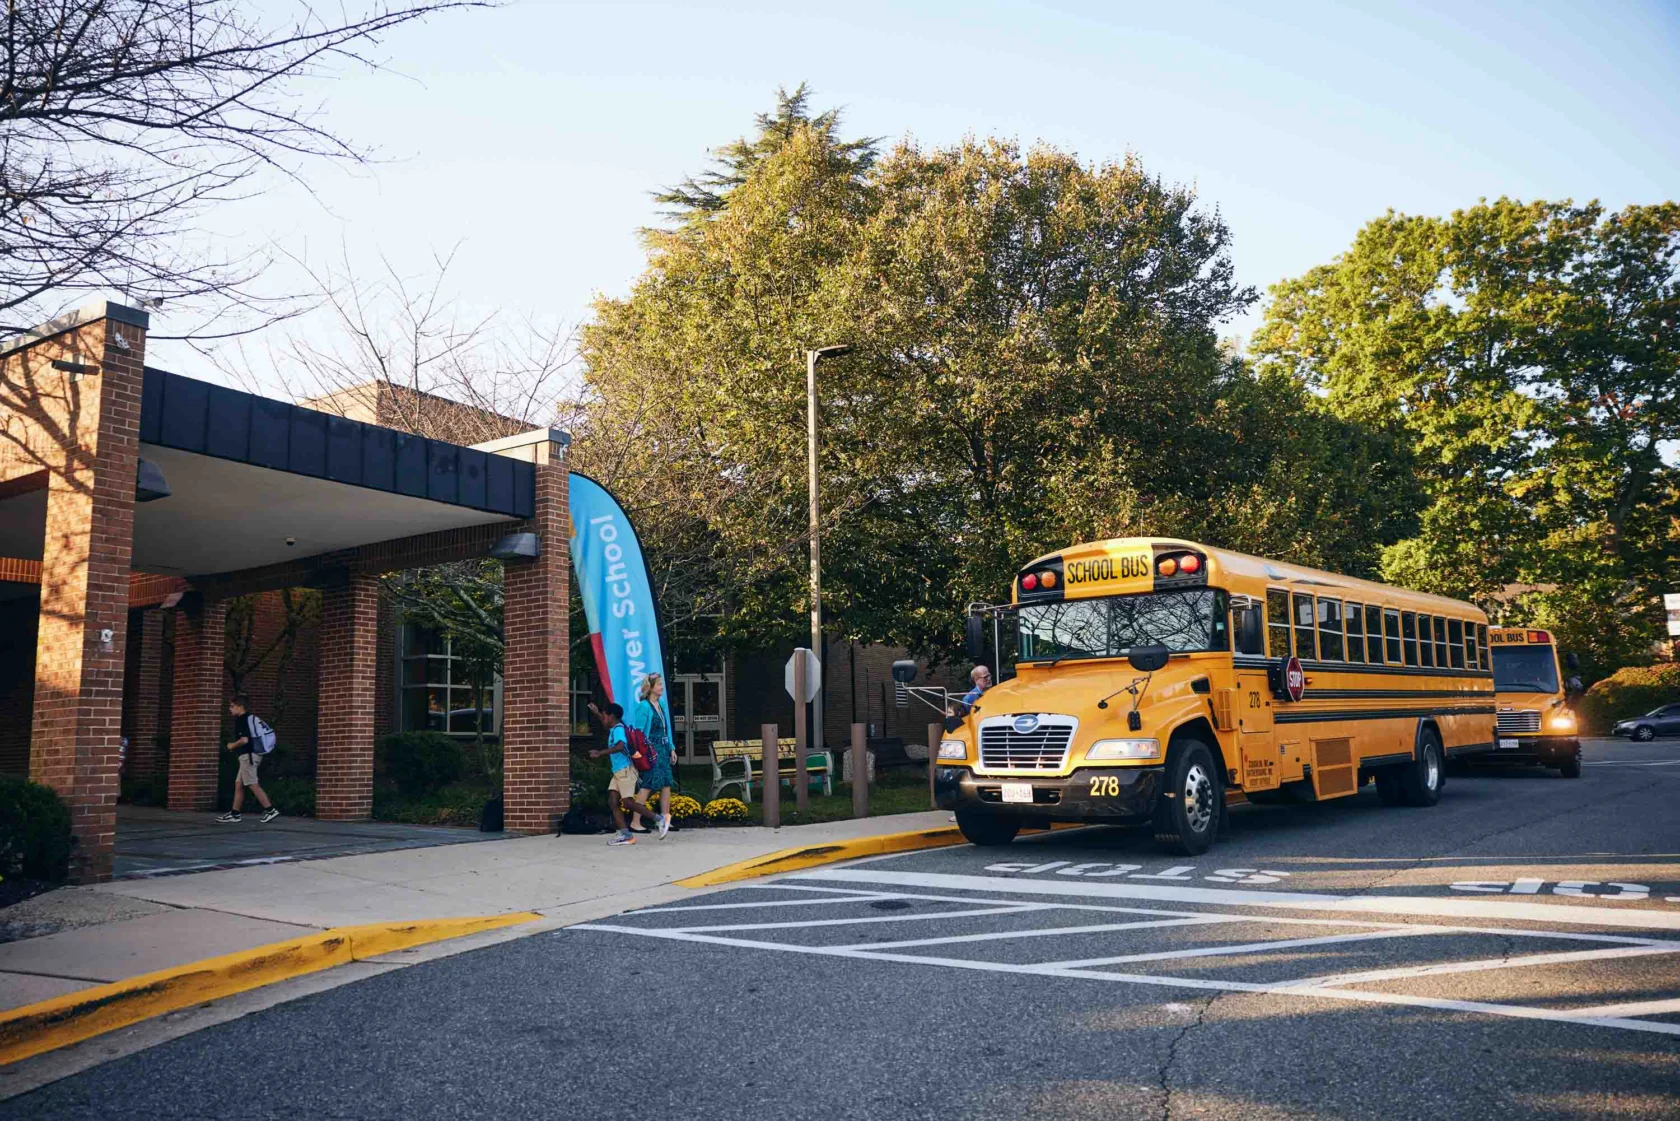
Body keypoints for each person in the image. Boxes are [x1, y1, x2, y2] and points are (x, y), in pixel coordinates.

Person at [587, 702, 663, 846]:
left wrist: (599, 753)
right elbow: (606, 724)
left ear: (612, 716)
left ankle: (660, 820)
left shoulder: (618, 730)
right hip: (618, 772)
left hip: (625, 770)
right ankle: (626, 835)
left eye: (604, 715)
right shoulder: (616, 727)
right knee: (613, 801)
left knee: (627, 802)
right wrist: (597, 713)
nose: (603, 718)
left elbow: (620, 746)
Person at [215, 694, 279, 824]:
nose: (230, 709)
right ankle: (235, 813)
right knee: (239, 784)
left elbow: (244, 740)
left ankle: (270, 810)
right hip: (250, 756)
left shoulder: (242, 720)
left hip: (248, 756)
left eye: (232, 706)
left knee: (252, 783)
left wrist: (231, 745)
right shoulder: (250, 718)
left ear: (240, 706)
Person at [631, 674, 675, 839]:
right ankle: (635, 821)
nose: (661, 687)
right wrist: (643, 752)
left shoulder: (661, 704)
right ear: (650, 687)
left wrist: (671, 748)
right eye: (658, 684)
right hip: (651, 750)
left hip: (663, 749)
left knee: (666, 783)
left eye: (661, 684)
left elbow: (666, 728)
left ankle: (664, 819)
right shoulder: (644, 706)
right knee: (648, 783)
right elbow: (639, 733)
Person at [945, 664, 992, 731]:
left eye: (989, 676)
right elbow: (966, 721)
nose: (989, 679)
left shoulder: (994, 692)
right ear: (976, 680)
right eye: (985, 677)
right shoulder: (969, 698)